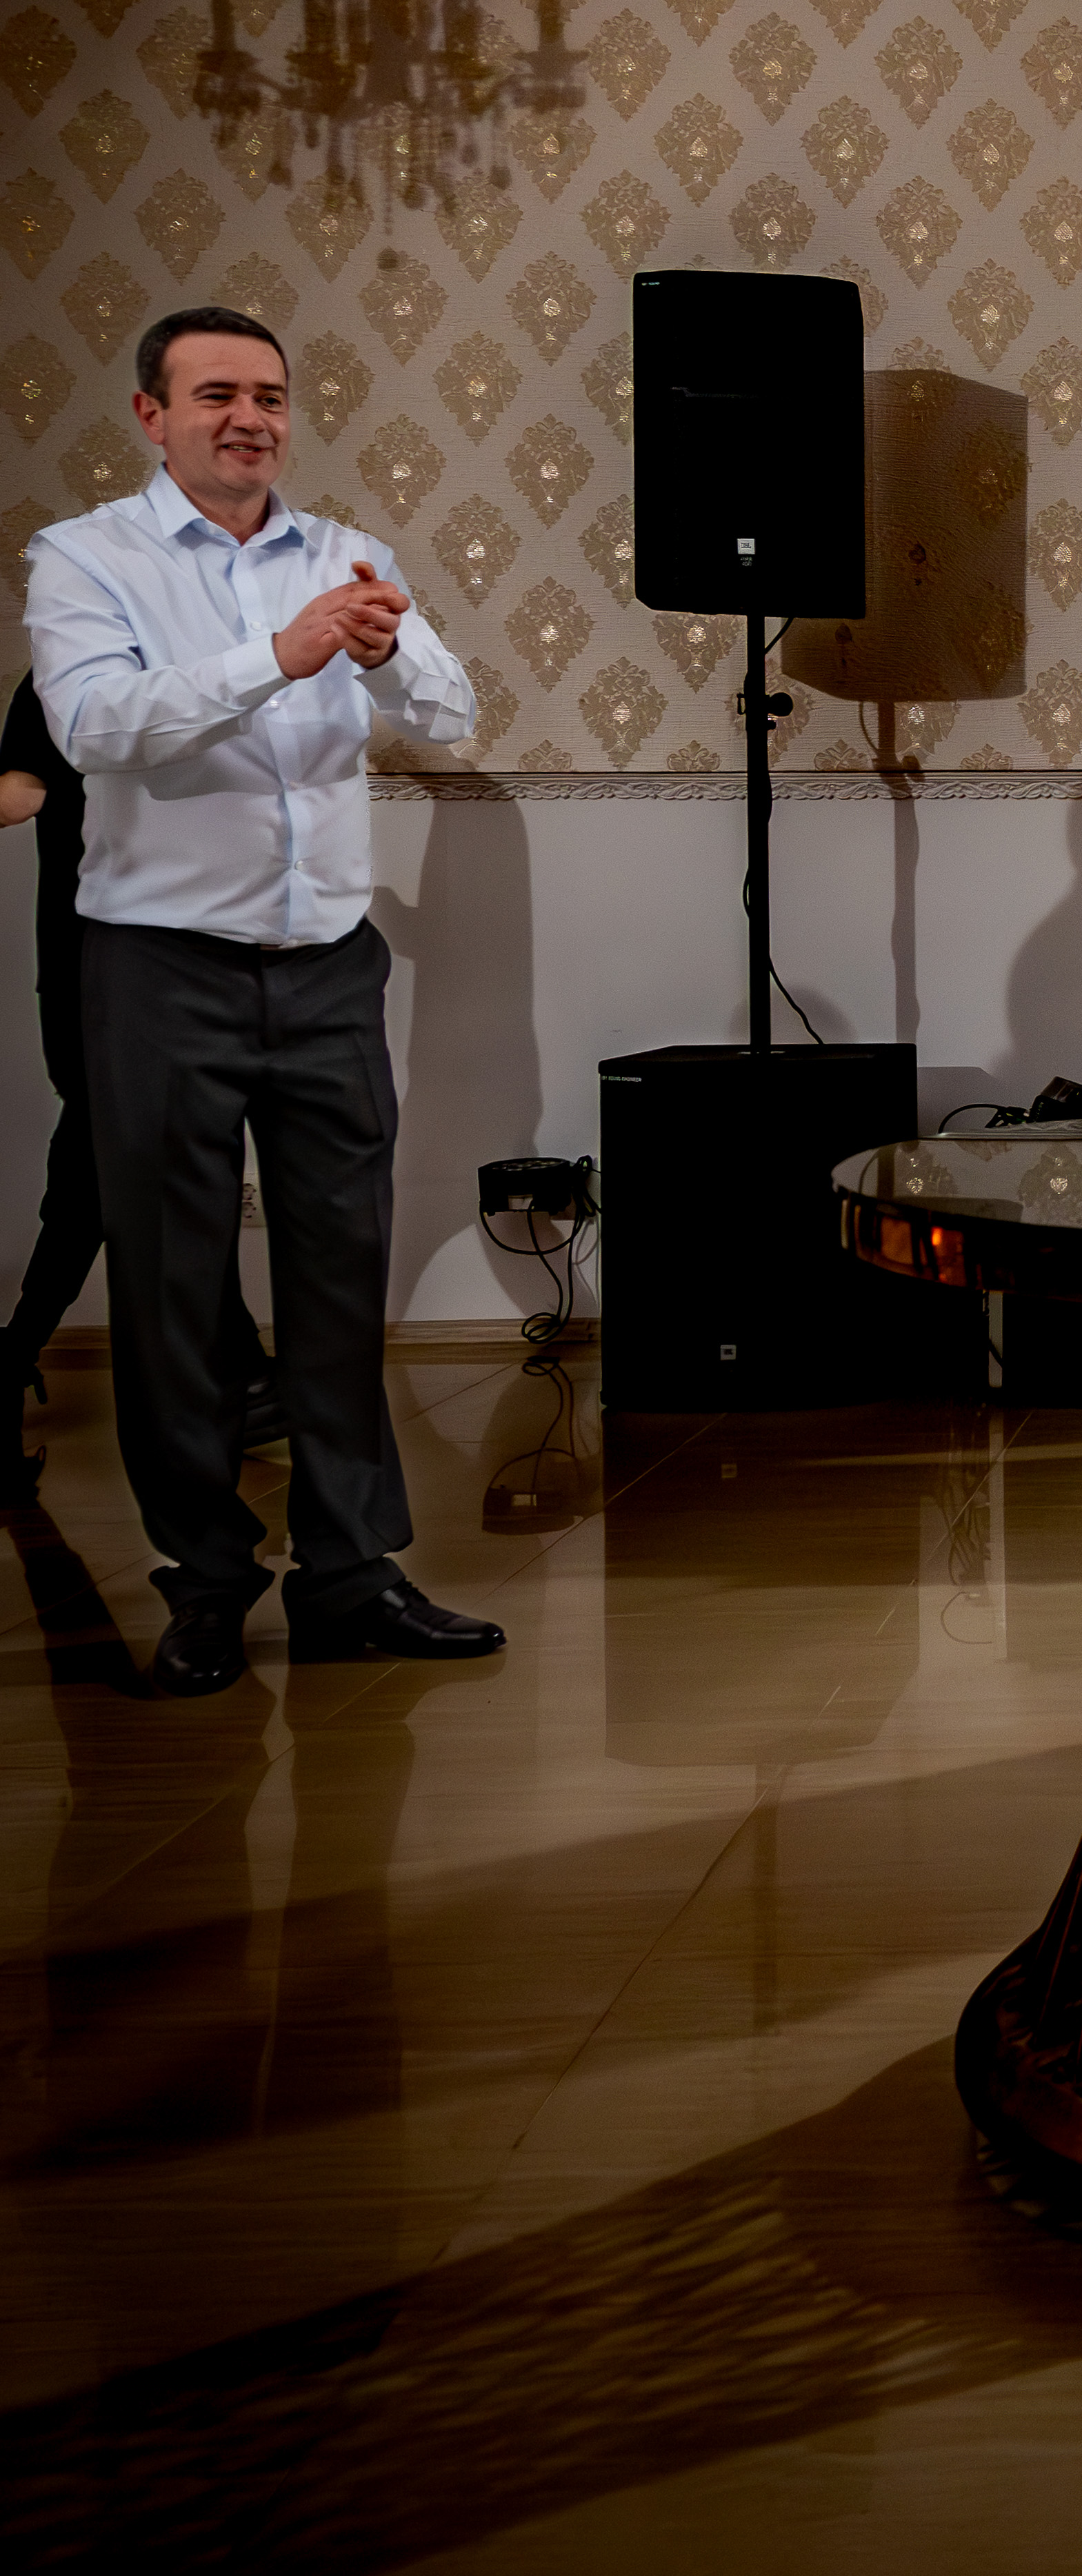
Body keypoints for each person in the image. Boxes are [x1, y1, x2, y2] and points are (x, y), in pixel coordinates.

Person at [24, 303, 505, 1698]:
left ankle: (351, 1573)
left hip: (329, 963)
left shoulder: (348, 551)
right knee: (173, 1290)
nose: (251, 418)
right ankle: (207, 1581)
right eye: (218, 394)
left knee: (341, 1278)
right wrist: (279, 657)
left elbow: (452, 712)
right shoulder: (85, 558)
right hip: (159, 966)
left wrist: (384, 650)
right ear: (152, 415)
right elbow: (95, 728)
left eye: (272, 396)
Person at [1, 672, 281, 1497]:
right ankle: (240, 1377)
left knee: (115, 1170)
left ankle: (19, 1355)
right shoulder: (68, 671)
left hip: (176, 962)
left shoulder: (201, 666)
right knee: (114, 1167)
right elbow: (16, 795)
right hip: (99, 963)